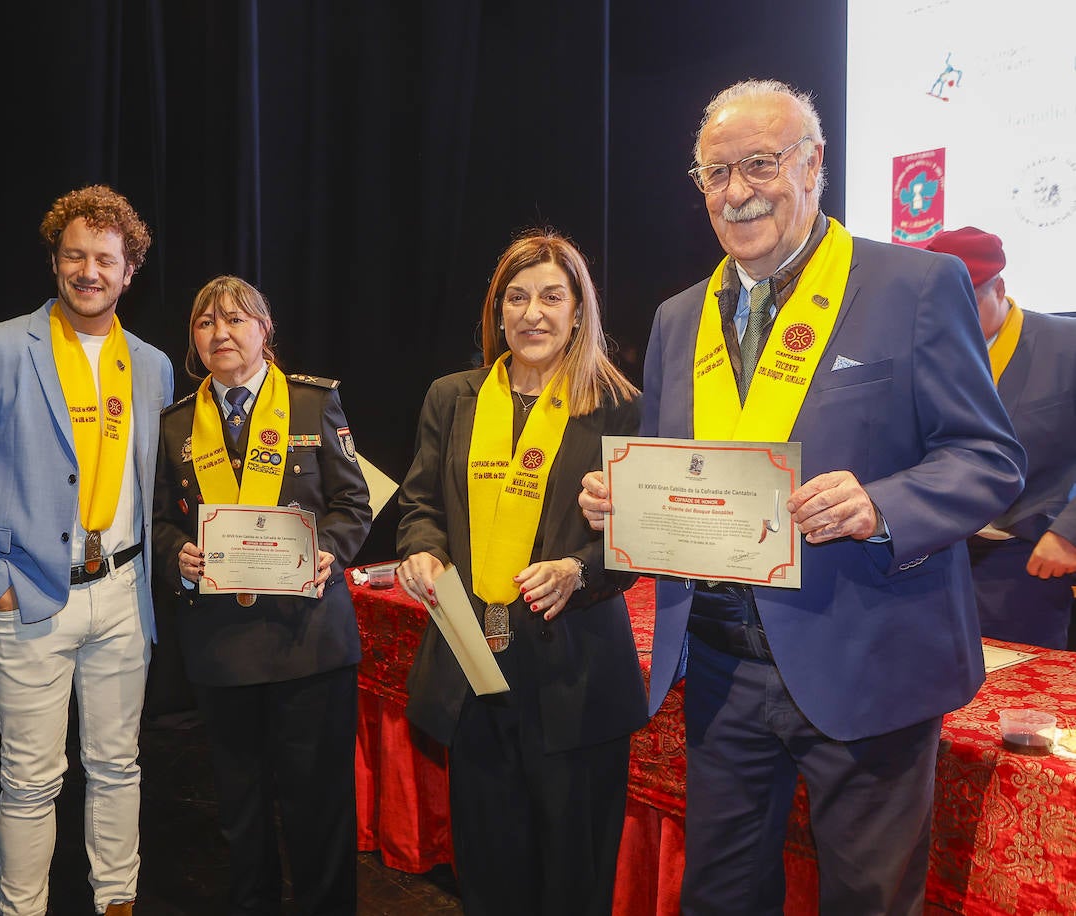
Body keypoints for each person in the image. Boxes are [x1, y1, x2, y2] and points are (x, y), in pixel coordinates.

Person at [579, 79, 1025, 914]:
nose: (737, 190)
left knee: (867, 897)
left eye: (759, 163)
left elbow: (990, 458)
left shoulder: (915, 286)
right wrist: (625, 501)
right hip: (716, 665)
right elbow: (686, 472)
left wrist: (883, 504)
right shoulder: (681, 317)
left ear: (814, 165)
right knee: (721, 895)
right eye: (715, 172)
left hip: (867, 659)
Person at [0, 185, 173, 916]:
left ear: (130, 271)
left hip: (124, 593)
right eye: (74, 255)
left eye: (105, 259)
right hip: (28, 597)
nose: (89, 270)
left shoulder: (152, 367)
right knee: (30, 778)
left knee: (118, 766)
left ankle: (115, 903)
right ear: (56, 260)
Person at [395, 231, 648, 916]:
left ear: (577, 312)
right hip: (473, 669)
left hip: (578, 677)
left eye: (551, 297)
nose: (533, 313)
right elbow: (419, 506)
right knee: (489, 871)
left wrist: (578, 570)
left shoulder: (619, 405)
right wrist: (421, 548)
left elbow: (645, 532)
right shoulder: (452, 398)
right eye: (517, 297)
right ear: (497, 310)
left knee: (574, 878)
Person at [152, 275, 371, 915]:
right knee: (241, 812)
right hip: (222, 646)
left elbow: (352, 503)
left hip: (309, 643)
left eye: (235, 320)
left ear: (264, 331)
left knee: (317, 810)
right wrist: (177, 557)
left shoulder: (311, 403)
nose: (221, 333)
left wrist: (327, 550)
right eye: (206, 323)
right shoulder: (174, 426)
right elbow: (163, 520)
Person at [925, 227, 1076, 649]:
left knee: (1022, 704)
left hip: (1026, 561)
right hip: (934, 559)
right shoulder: (922, 351)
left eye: (966, 302)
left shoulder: (1066, 346)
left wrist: (1069, 533)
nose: (953, 318)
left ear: (1000, 289)